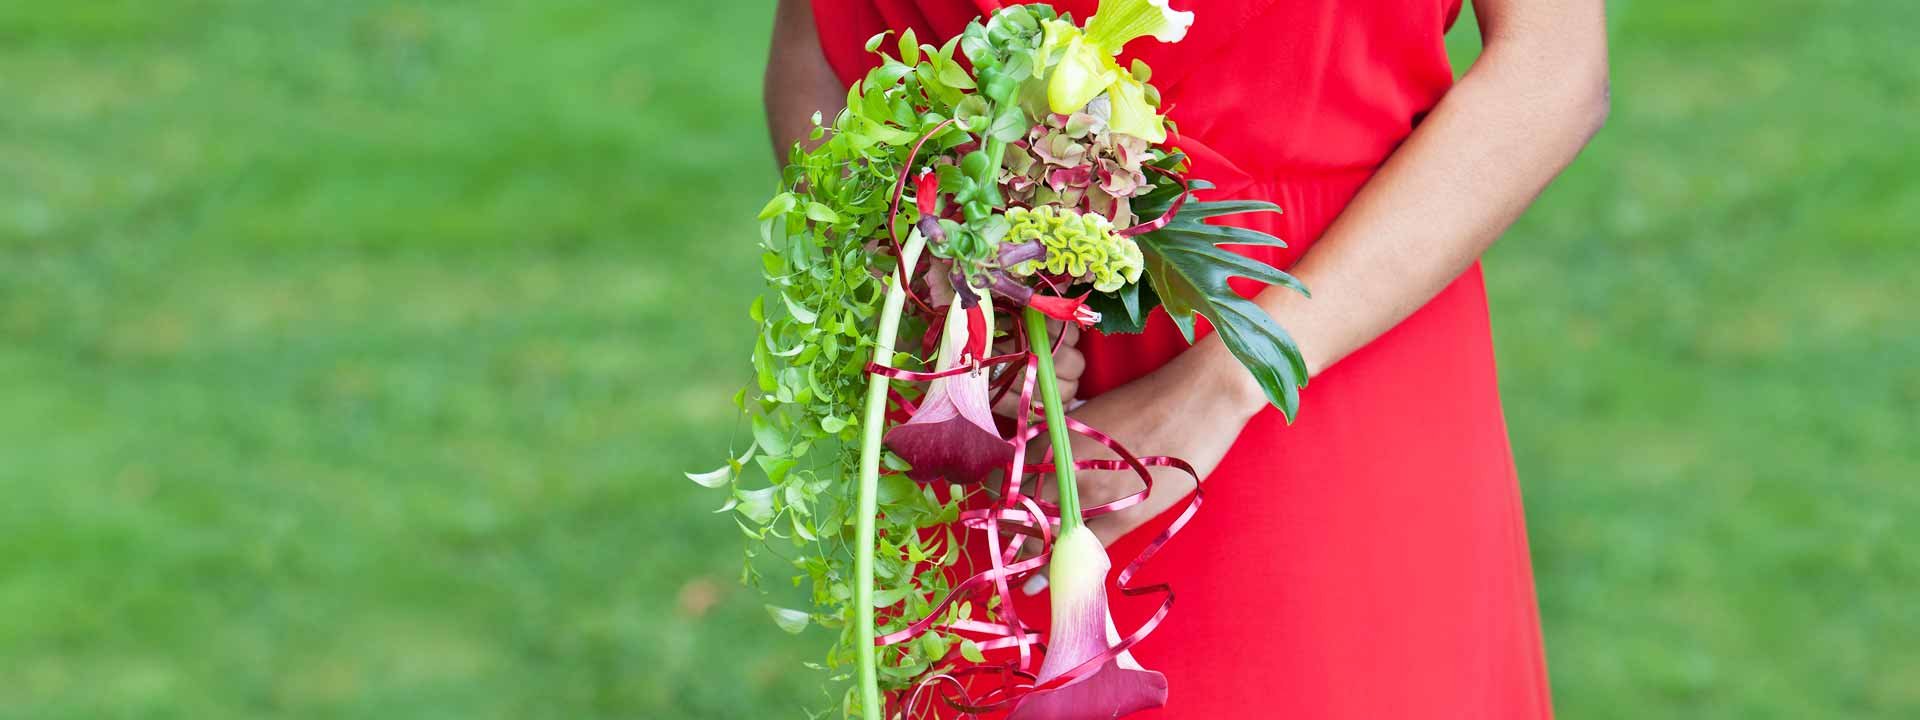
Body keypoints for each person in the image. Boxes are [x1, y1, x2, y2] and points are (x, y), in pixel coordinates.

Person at [766, 0, 1608, 716]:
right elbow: (822, 46)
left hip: (1327, 353)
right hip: (992, 407)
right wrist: (934, 293)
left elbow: (1553, 63)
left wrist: (1231, 377)